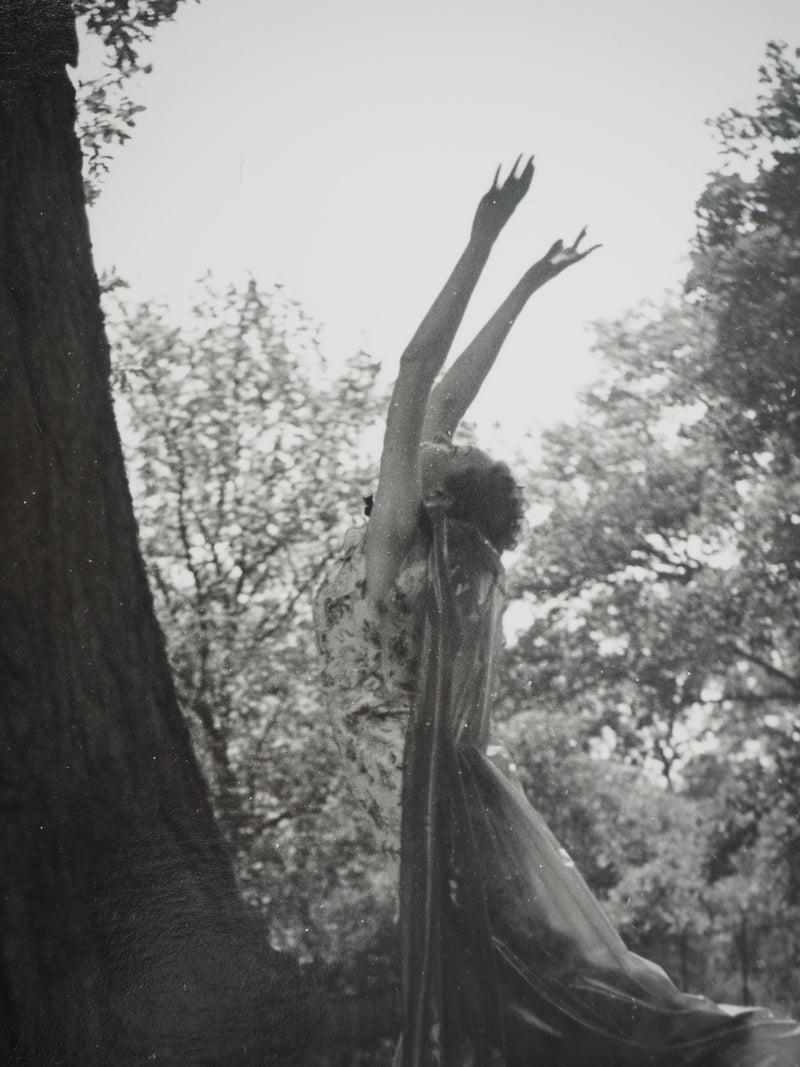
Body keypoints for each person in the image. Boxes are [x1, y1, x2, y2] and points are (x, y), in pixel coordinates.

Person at [313, 160, 800, 1065]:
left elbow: (417, 372)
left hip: (408, 777)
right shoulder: (421, 536)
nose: (435, 441)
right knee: (520, 952)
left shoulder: (390, 543)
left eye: (444, 456)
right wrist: (526, 287)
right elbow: (449, 390)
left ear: (438, 502)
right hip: (424, 777)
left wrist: (482, 237)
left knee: (515, 956)